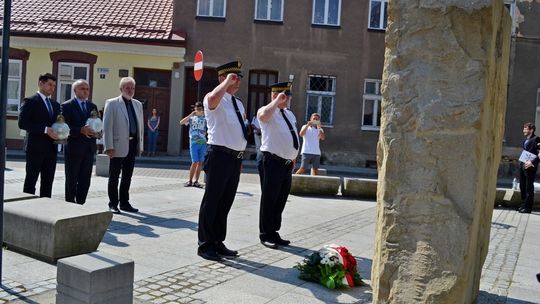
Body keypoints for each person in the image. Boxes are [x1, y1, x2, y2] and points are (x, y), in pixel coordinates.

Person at [197, 60, 247, 261]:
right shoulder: (213, 96)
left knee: (225, 202)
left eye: (238, 78)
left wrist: (240, 157)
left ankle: (218, 241)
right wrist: (226, 83)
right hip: (218, 155)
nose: (237, 81)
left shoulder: (238, 102)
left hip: (234, 158)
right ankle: (205, 245)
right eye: (233, 77)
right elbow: (212, 101)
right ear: (222, 78)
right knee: (212, 201)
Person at [257, 82, 299, 249]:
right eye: (284, 96)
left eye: (288, 96)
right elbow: (263, 117)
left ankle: (274, 231)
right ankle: (265, 234)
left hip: (286, 163)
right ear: (275, 96)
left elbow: (291, 135)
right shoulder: (267, 111)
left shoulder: (289, 114)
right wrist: (275, 101)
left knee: (281, 198)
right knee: (269, 198)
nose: (288, 99)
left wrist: (293, 157)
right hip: (271, 160)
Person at [103, 77, 143, 214]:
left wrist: (140, 144)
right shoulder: (112, 103)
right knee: (114, 176)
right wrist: (108, 146)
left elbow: (140, 126)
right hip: (116, 146)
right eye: (127, 88)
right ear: (121, 89)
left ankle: (124, 202)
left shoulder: (138, 104)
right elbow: (107, 126)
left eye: (132, 88)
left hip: (132, 145)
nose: (130, 90)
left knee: (127, 176)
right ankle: (113, 203)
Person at [18, 73, 60, 197]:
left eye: (54, 86)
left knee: (48, 183)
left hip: (51, 149)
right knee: (31, 181)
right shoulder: (30, 101)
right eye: (49, 85)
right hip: (35, 148)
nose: (52, 88)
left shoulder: (55, 104)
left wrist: (62, 132)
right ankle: (27, 211)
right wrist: (46, 130)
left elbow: (57, 124)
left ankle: (44, 211)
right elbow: (23, 123)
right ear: (40, 83)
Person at [61, 79, 98, 204]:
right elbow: (63, 127)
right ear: (75, 90)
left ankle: (81, 203)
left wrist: (98, 131)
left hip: (89, 148)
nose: (85, 91)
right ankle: (70, 204)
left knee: (85, 179)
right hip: (74, 149)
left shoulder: (92, 106)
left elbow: (96, 123)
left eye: (87, 89)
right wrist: (80, 130)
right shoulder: (66, 106)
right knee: (72, 178)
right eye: (82, 88)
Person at [180, 101, 207, 188]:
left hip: (202, 142)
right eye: (197, 109)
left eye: (200, 109)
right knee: (194, 161)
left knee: (200, 162)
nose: (199, 110)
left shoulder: (205, 118)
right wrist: (191, 114)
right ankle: (190, 180)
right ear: (195, 109)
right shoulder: (192, 118)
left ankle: (196, 181)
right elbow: (181, 122)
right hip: (194, 142)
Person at [518, 122, 540, 214]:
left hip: (531, 167)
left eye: (525, 128)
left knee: (528, 187)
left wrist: (532, 162)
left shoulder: (537, 139)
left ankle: (528, 208)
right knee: (522, 186)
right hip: (523, 165)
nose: (524, 130)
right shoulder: (525, 140)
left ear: (531, 130)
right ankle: (523, 205)